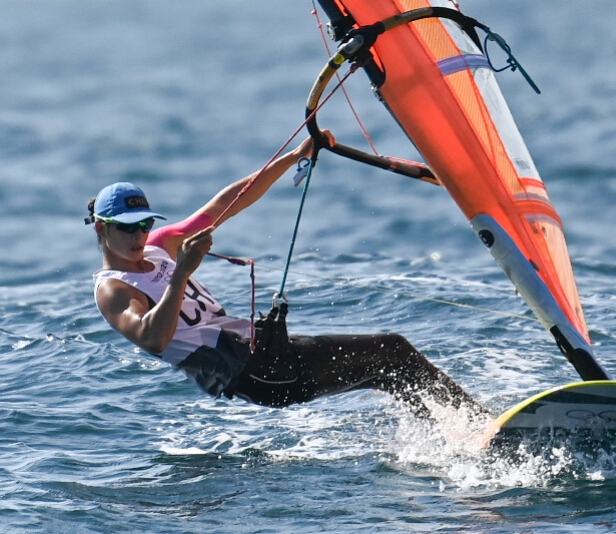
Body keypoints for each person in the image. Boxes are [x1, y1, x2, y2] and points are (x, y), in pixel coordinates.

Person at [87, 135, 487, 419]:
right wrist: (182, 274)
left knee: (387, 370)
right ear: (102, 229)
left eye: (144, 224)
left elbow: (228, 202)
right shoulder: (113, 289)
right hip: (253, 373)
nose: (139, 235)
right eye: (127, 228)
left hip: (265, 355)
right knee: (393, 350)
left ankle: (453, 436)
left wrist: (293, 157)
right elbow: (152, 338)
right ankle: (476, 424)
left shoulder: (159, 246)